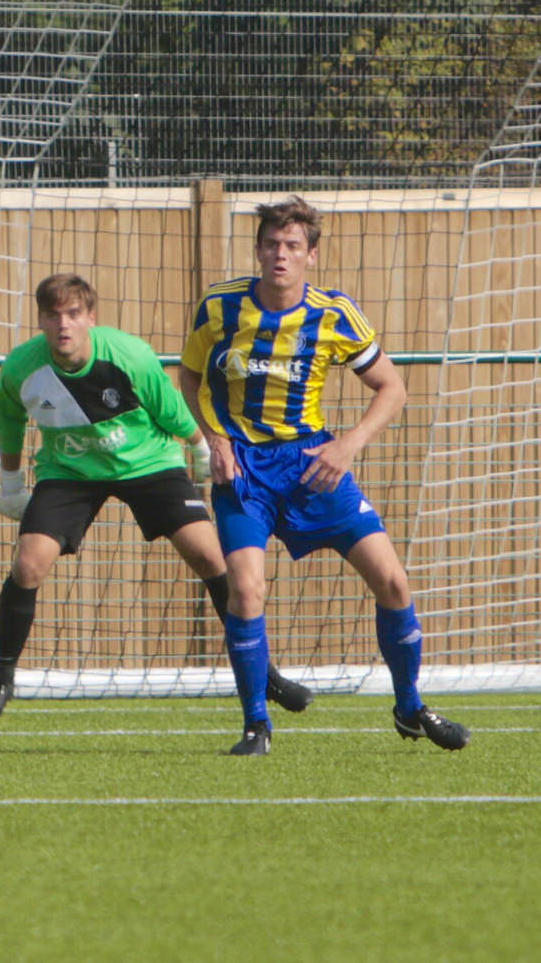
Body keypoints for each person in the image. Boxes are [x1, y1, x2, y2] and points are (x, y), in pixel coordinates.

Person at [179, 196, 469, 756]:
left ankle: (410, 707)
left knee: (393, 582)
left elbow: (393, 388)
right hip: (245, 473)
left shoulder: (334, 314)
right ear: (257, 250)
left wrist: (348, 444)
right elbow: (188, 379)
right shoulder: (219, 306)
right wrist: (213, 439)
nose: (280, 255)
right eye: (271, 244)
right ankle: (256, 725)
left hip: (313, 467)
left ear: (311, 255)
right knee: (246, 588)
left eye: (292, 246)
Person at [0, 273, 313, 721]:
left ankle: (265, 675)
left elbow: (170, 408)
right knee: (28, 564)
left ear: (90, 317)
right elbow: (9, 421)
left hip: (148, 463)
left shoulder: (128, 355)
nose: (63, 325)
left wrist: (201, 451)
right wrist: (11, 484)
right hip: (70, 472)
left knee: (211, 558)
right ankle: (2, 680)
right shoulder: (22, 367)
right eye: (53, 316)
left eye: (73, 314)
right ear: (40, 320)